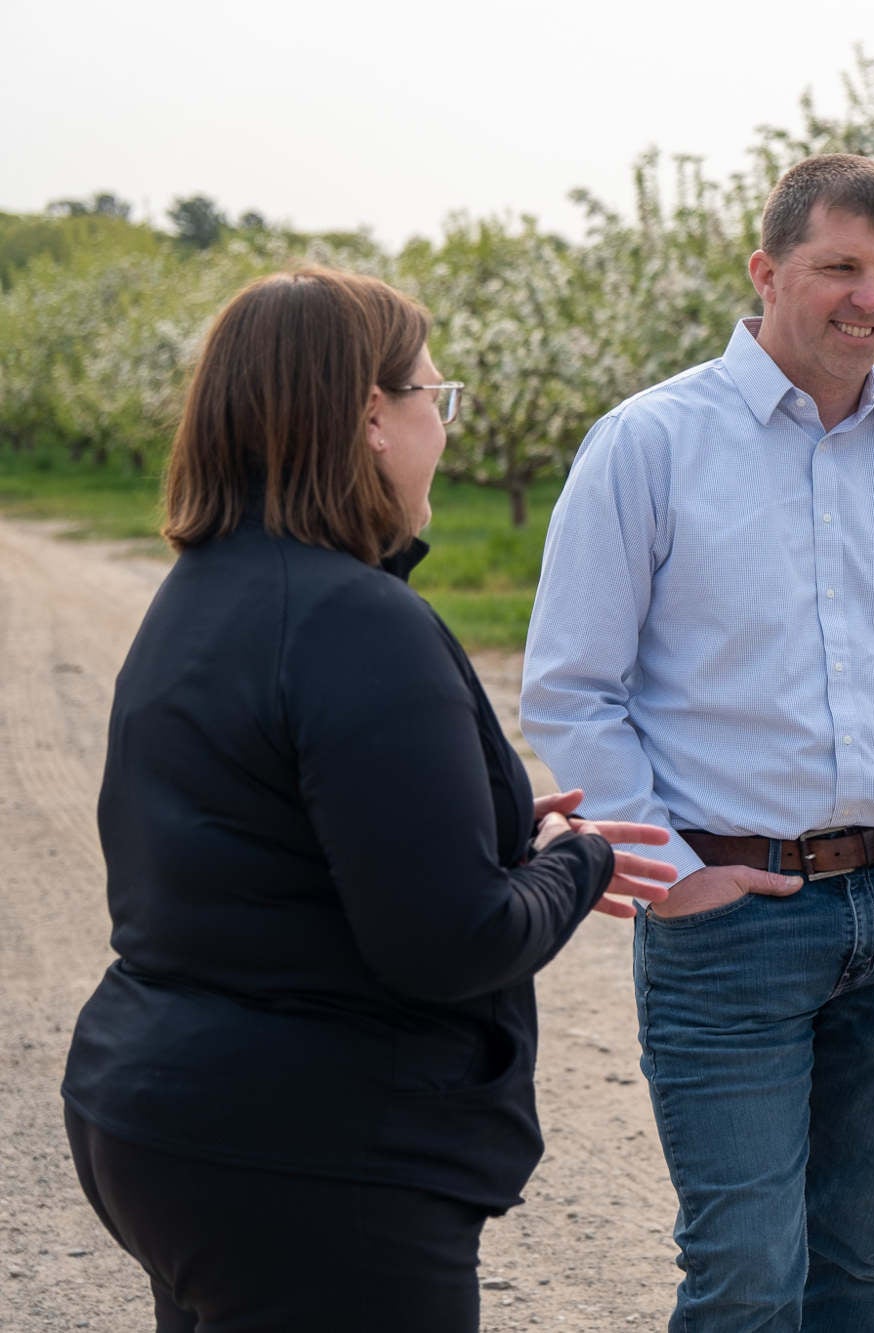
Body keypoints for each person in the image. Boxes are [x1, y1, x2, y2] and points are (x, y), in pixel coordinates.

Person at [62, 266, 677, 1333]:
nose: (446, 425)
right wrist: (575, 860)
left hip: (160, 1118)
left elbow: (276, 845)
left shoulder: (202, 591)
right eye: (437, 397)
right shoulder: (358, 622)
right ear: (371, 417)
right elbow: (449, 942)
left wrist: (497, 838)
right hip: (314, 1153)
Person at [521, 152, 874, 1328]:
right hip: (730, 916)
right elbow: (572, 689)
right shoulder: (647, 445)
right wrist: (673, 870)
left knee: (856, 1263)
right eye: (839, 268)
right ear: (765, 271)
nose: (870, 298)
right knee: (747, 1272)